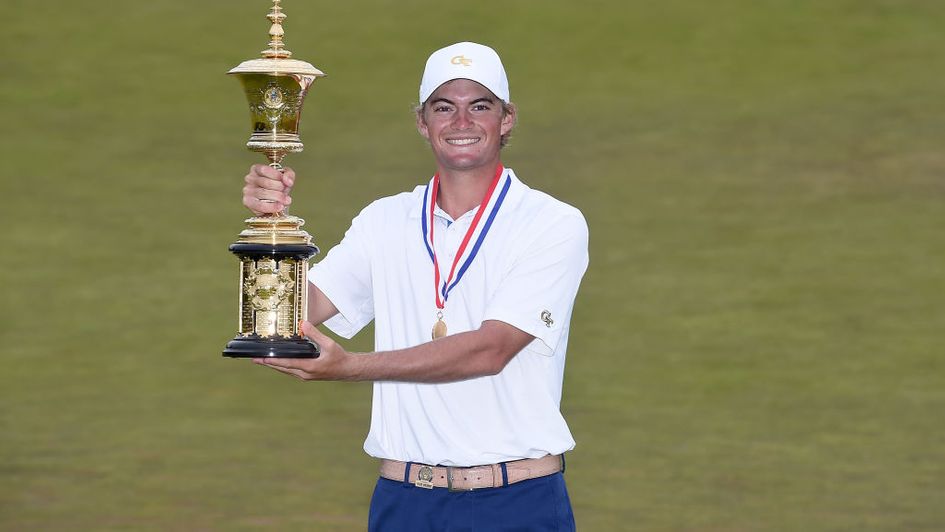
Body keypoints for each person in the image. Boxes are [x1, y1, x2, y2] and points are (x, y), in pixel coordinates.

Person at [242, 42, 589, 531]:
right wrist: (269, 232)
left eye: (480, 106)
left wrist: (350, 367)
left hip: (519, 502)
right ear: (423, 123)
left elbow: (490, 351)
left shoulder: (552, 223)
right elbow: (286, 314)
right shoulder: (383, 220)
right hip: (406, 504)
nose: (461, 122)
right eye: (444, 107)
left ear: (507, 119)